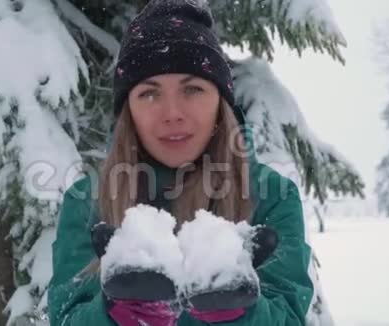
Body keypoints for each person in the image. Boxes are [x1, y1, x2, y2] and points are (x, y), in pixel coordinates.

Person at [47, 0, 314, 325]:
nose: (172, 112)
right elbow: (65, 318)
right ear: (128, 109)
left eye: (193, 89)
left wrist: (242, 315)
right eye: (149, 93)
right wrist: (114, 316)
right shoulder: (86, 201)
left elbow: (290, 318)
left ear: (221, 102)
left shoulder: (272, 196)